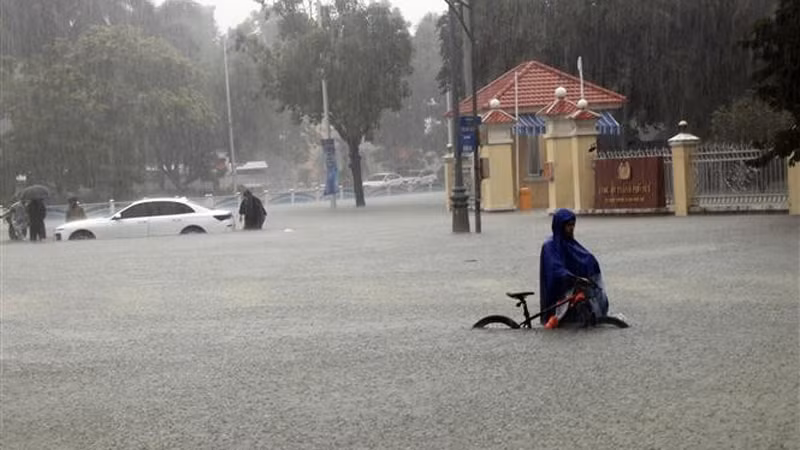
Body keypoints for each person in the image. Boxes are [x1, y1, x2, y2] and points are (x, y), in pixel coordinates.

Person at [539, 208, 609, 328]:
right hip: (557, 290)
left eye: (573, 225)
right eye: (568, 225)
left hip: (570, 285)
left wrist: (591, 264)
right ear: (560, 226)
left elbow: (582, 257)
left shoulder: (570, 243)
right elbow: (555, 269)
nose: (571, 228)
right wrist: (572, 277)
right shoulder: (550, 246)